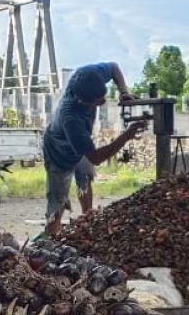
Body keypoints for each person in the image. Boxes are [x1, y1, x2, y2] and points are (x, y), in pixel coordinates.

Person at [42, 62, 142, 237]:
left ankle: (88, 222)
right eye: (98, 102)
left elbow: (113, 67)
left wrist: (124, 92)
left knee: (85, 178)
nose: (103, 102)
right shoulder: (71, 118)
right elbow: (95, 157)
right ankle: (51, 239)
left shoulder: (86, 74)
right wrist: (126, 136)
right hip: (59, 149)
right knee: (57, 200)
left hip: (81, 142)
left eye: (103, 96)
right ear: (82, 101)